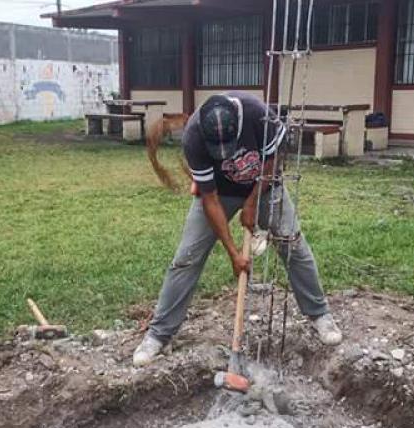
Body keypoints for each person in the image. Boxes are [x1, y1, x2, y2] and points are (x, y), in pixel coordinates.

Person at [133, 92, 342, 366]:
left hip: (266, 186)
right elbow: (208, 198)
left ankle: (319, 314)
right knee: (186, 258)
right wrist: (234, 253)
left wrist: (253, 202)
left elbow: (274, 159)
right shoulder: (194, 136)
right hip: (219, 193)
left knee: (292, 244)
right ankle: (159, 334)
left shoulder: (258, 114)